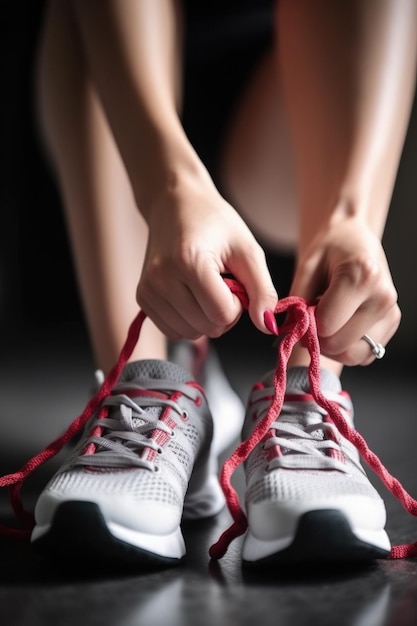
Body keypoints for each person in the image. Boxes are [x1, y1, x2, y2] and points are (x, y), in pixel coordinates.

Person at [30, 0, 417, 568]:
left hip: (280, 117)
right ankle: (146, 388)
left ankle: (308, 403)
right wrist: (169, 190)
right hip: (126, 111)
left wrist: (352, 217)